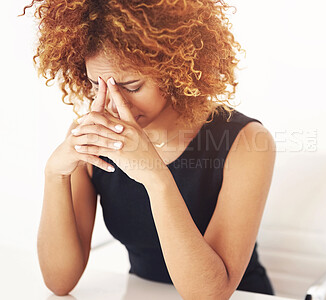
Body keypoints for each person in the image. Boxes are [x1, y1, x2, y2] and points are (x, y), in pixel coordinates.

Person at [22, 0, 276, 298]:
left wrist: (155, 177)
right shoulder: (93, 137)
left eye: (131, 87)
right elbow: (59, 282)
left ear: (174, 71)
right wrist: (55, 175)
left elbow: (210, 294)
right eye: (97, 84)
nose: (116, 104)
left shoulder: (247, 142)